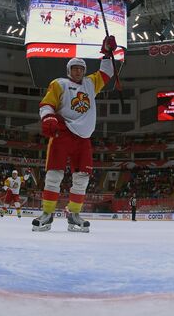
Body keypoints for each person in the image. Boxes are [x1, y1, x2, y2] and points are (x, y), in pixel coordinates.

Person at [31, 35, 117, 232]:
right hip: (63, 133)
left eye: (81, 69)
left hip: (84, 138)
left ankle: (74, 214)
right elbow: (46, 104)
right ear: (69, 70)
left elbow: (107, 71)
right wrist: (48, 117)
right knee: (54, 174)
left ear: (84, 71)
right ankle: (47, 213)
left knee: (82, 178)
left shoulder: (90, 83)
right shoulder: (59, 83)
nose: (78, 71)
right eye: (74, 68)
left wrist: (107, 52)